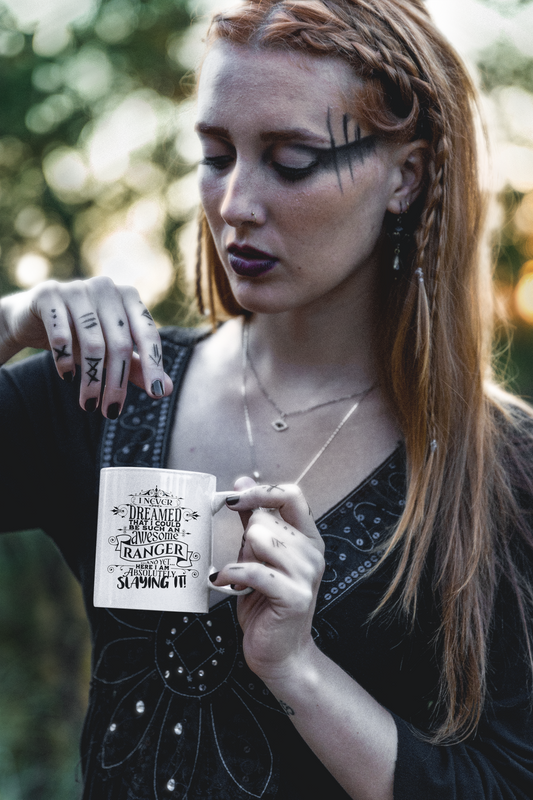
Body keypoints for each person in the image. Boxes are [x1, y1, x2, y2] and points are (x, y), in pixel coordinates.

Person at [1, 0, 532, 797]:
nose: (235, 204)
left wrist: (298, 672)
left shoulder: (504, 472)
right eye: (216, 155)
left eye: (291, 160)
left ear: (406, 175)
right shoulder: (110, 394)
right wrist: (10, 322)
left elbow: (500, 780)